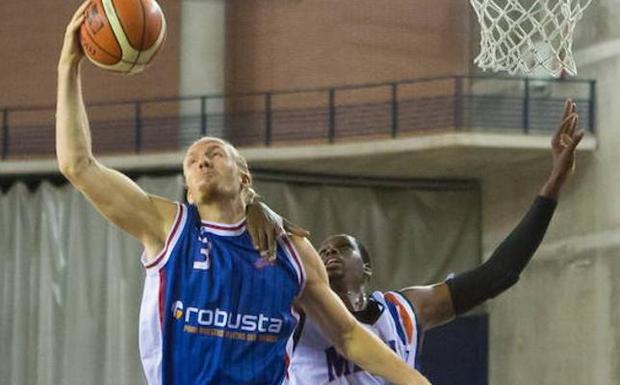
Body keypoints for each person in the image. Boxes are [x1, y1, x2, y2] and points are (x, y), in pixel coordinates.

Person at [55, 4, 431, 385]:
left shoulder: (292, 251)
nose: (202, 162)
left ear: (244, 176)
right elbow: (77, 165)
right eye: (192, 160)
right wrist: (69, 65)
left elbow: (349, 335)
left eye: (215, 154)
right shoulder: (167, 227)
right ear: (187, 188)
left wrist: (416, 381)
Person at [249, 100, 583, 385]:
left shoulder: (402, 312)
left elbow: (501, 272)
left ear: (367, 268)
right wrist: (252, 205)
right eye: (322, 250)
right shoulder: (299, 311)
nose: (327, 252)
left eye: (342, 247)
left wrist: (552, 186)